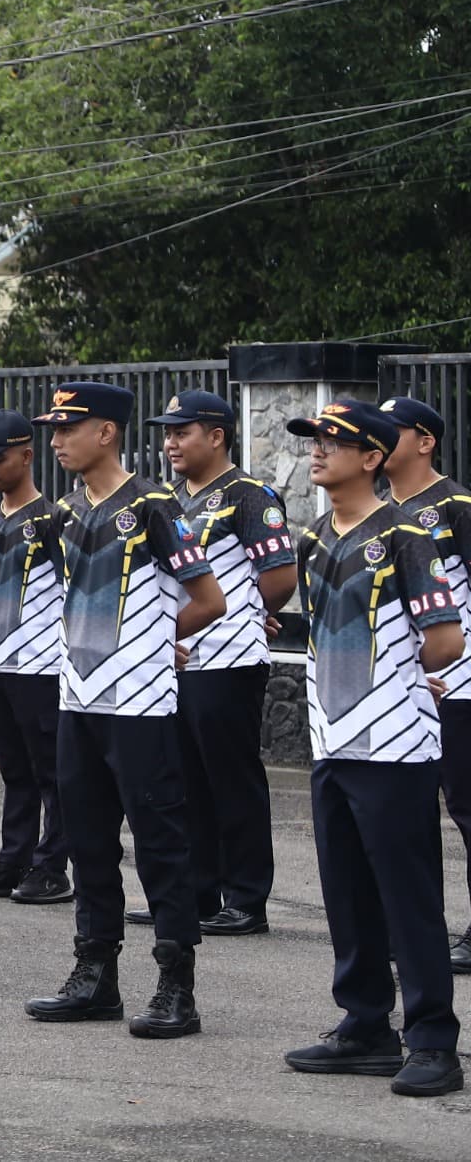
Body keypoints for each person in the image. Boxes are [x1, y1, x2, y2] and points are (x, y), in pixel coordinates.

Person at [24, 381, 226, 1040]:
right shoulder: (66, 511)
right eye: (52, 429)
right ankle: (94, 976)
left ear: (106, 431)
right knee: (86, 842)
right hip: (77, 701)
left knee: (160, 846)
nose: (56, 440)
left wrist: (155, 645)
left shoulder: (155, 506)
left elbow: (208, 598)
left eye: (67, 428)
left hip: (139, 706)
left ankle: (176, 983)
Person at [274, 399, 463, 1096]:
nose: (317, 451)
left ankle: (434, 1041)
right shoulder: (315, 536)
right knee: (347, 892)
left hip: (395, 747)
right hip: (333, 741)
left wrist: (399, 682)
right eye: (314, 440)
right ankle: (364, 1026)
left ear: (373, 457)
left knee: (408, 897)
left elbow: (446, 638)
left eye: (334, 441)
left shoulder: (409, 534)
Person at [138, 389, 295, 937]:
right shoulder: (166, 498)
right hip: (174, 661)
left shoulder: (249, 495)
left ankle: (247, 898)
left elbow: (278, 577)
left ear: (217, 436)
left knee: (232, 780)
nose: (170, 443)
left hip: (228, 660)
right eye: (168, 432)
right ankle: (199, 893)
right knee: (184, 782)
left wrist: (250, 614)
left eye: (182, 432)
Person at [0, 409, 73, 907]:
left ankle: (52, 866)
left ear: (27, 456)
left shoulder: (54, 520)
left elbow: (73, 589)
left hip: (43, 663)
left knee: (51, 770)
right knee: (12, 768)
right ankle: (14, 858)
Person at [379, 396, 471, 973]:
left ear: (425, 440)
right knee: (408, 816)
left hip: (461, 686)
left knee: (466, 809)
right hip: (401, 692)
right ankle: (417, 929)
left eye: (392, 430)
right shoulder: (378, 512)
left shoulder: (457, 506)